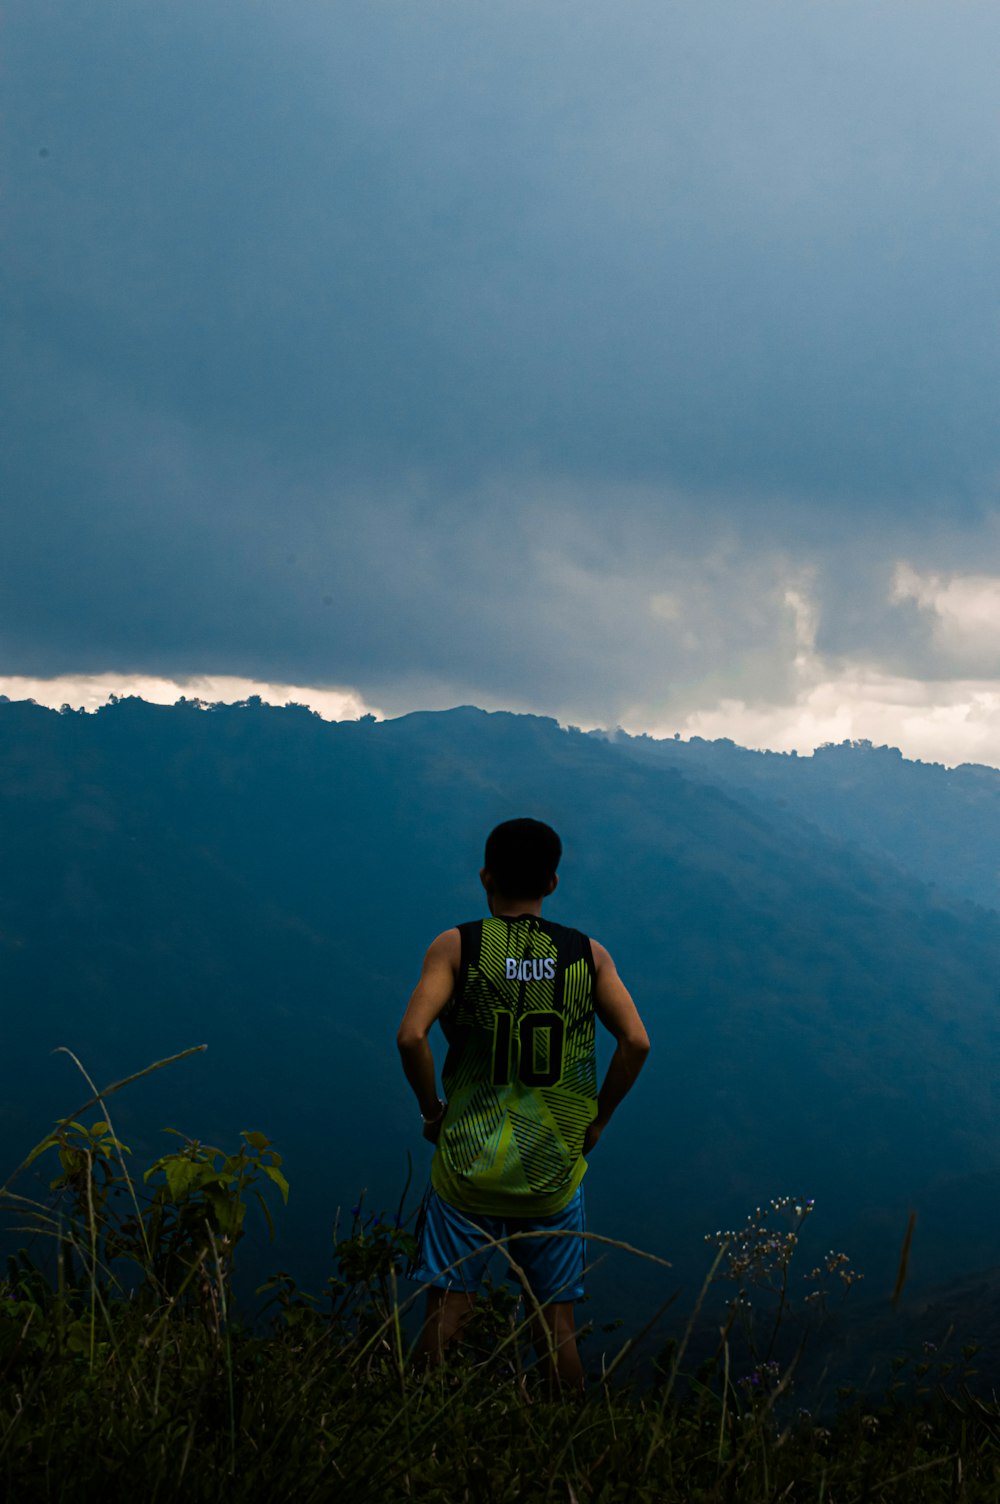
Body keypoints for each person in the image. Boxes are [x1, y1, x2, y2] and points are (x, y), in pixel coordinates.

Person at [396, 817, 651, 1401]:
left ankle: (415, 1428)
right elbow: (636, 1042)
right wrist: (600, 1116)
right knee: (553, 1323)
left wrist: (431, 1110)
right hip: (552, 1167)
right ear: (553, 883)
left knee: (447, 1312)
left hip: (466, 1163)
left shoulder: (458, 945)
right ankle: (568, 1437)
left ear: (484, 875)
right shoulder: (587, 955)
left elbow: (412, 1036)